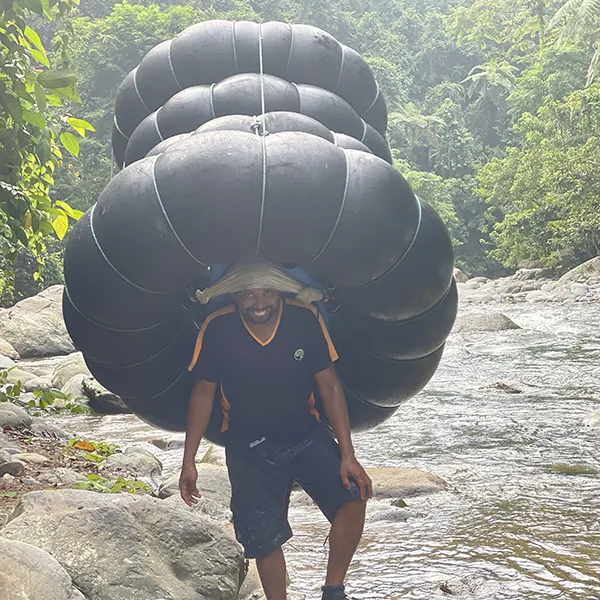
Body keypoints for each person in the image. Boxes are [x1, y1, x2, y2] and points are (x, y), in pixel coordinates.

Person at [179, 283, 373, 600]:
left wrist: (348, 455)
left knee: (354, 495)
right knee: (263, 535)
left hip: (303, 432)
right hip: (247, 443)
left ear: (281, 293)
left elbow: (329, 386)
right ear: (234, 295)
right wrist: (189, 462)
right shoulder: (217, 326)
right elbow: (203, 393)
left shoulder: (305, 318)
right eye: (247, 293)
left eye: (268, 292)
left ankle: (333, 591)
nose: (259, 302)